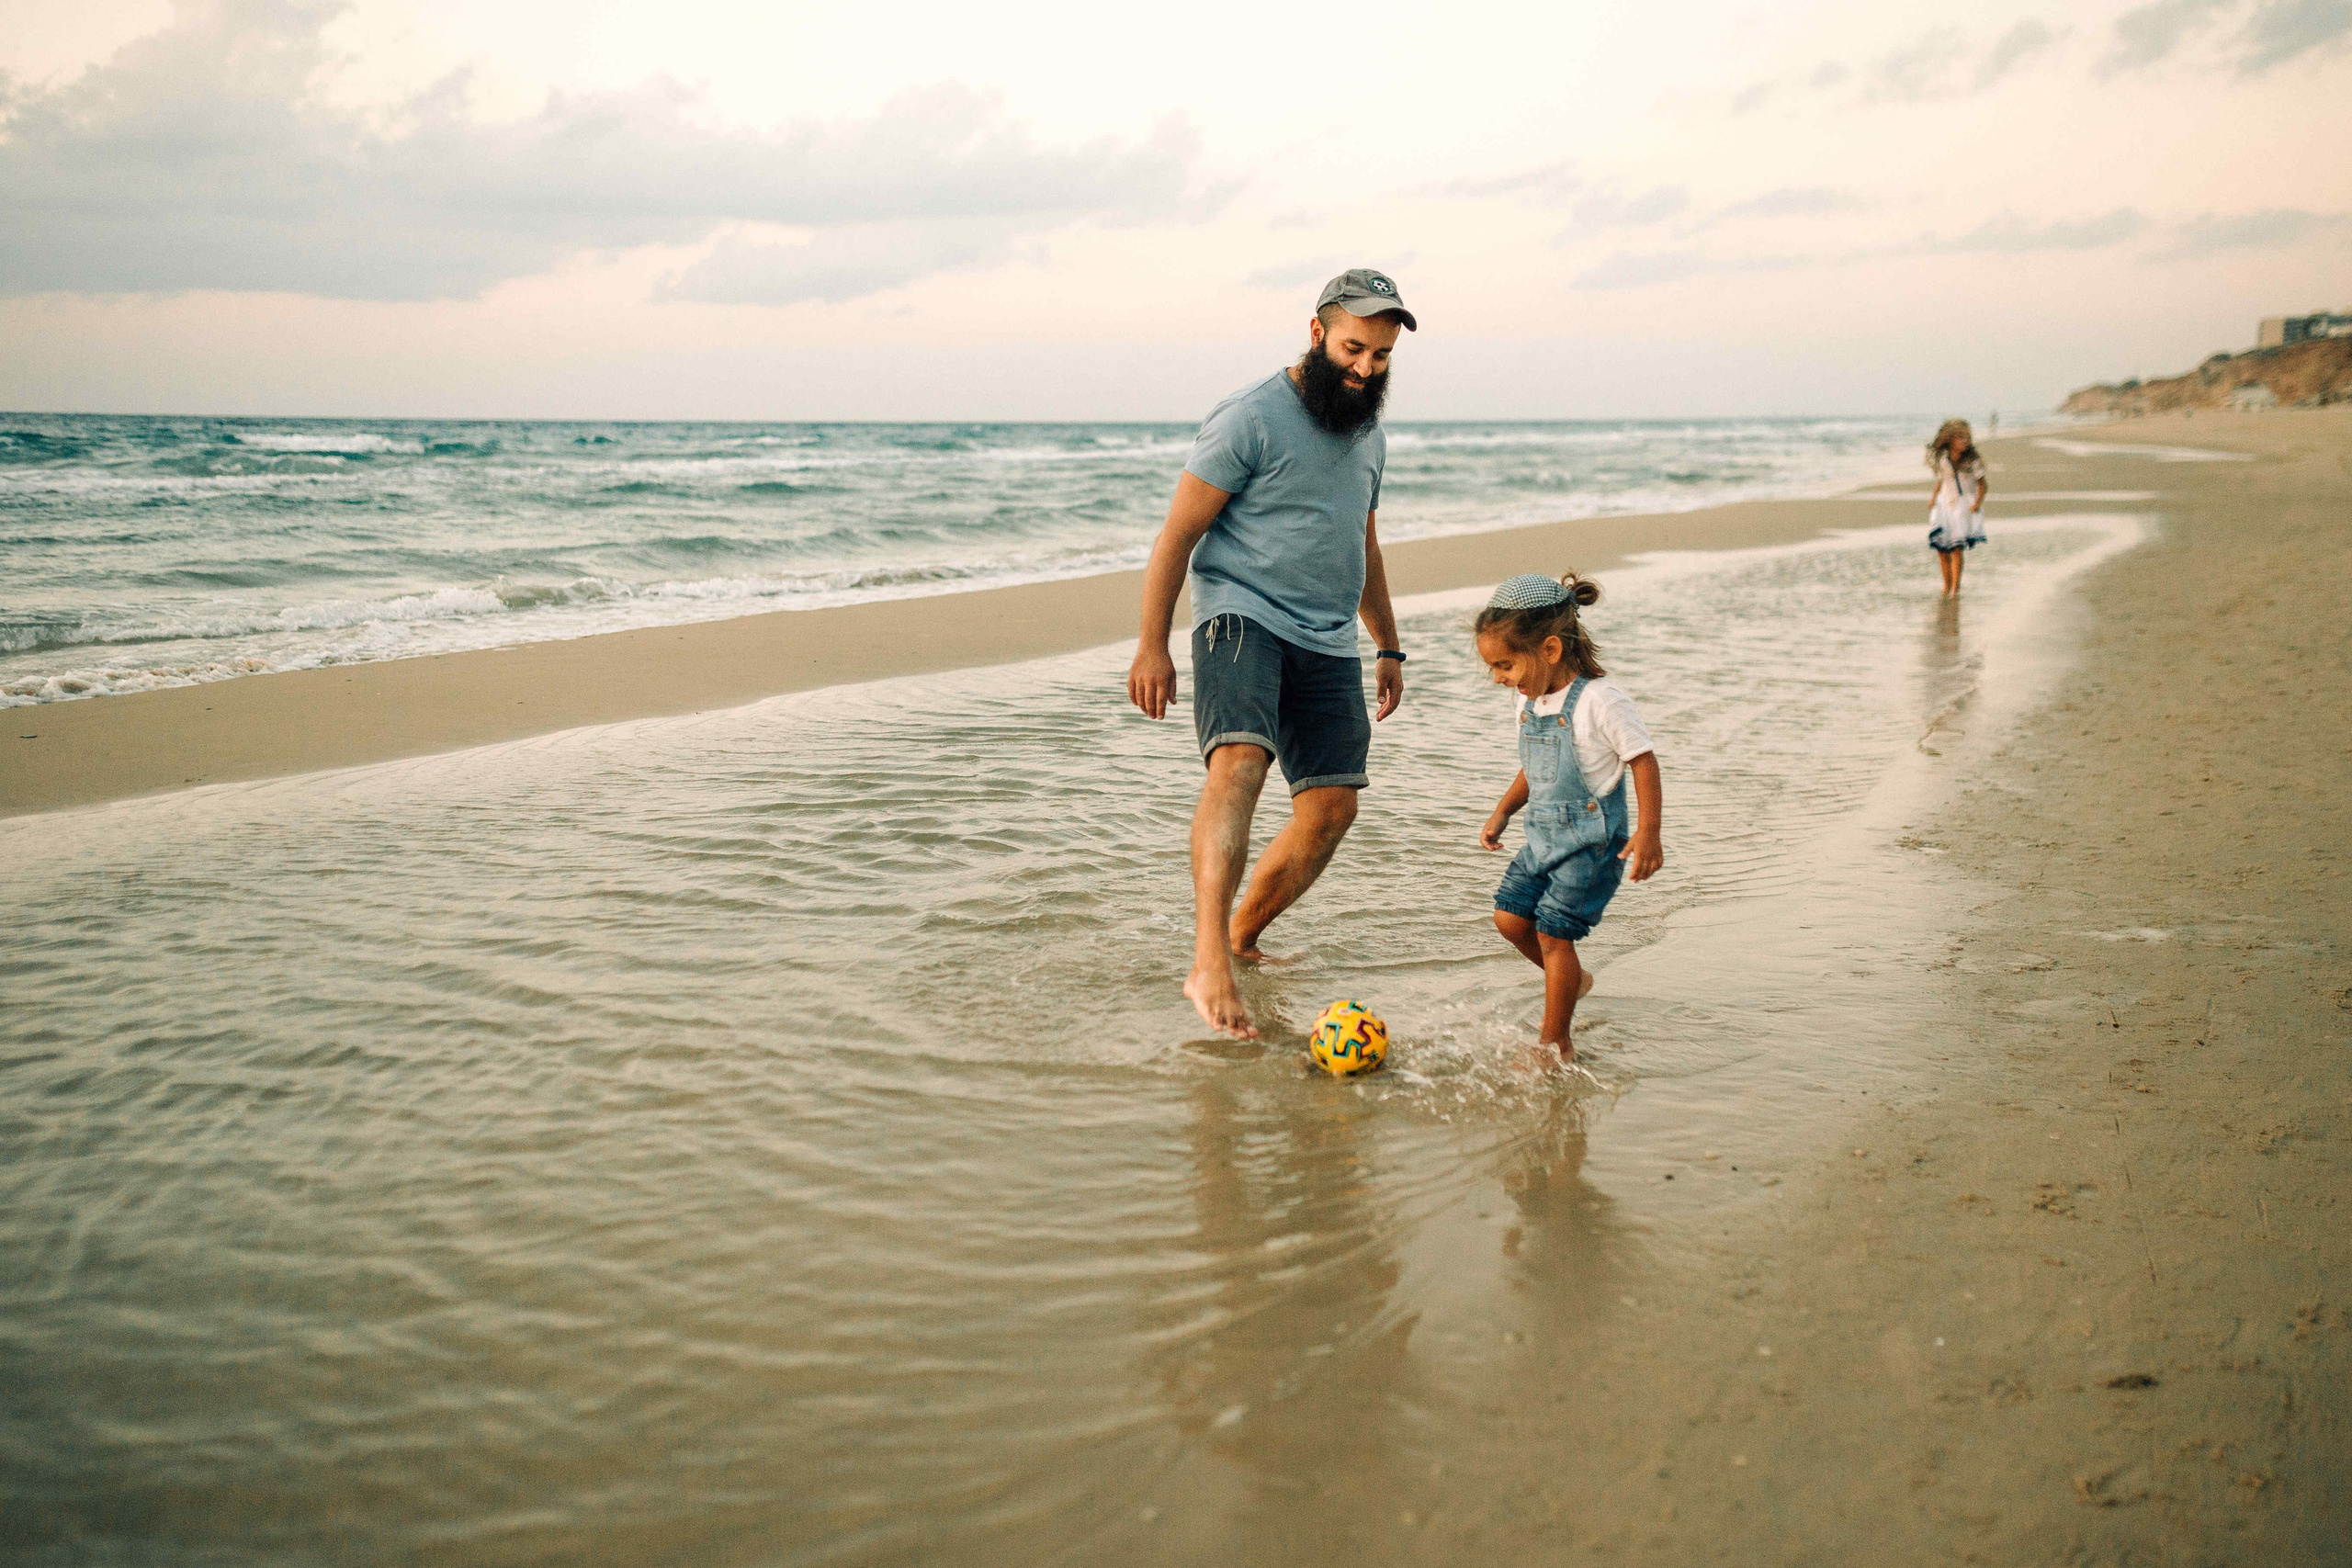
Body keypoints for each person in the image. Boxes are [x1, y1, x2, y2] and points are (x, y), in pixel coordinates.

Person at [1126, 270, 1416, 1039]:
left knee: (1332, 808)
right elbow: (1177, 535)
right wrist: (1153, 643)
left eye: (1381, 356)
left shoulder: (1369, 435)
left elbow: (1363, 542)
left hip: (1327, 636)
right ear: (1317, 333)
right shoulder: (1250, 417)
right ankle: (1206, 960)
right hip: (1241, 616)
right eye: (1355, 348)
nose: (1365, 368)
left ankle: (1239, 937)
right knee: (1242, 760)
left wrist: (1387, 640)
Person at [1474, 573, 1663, 1058]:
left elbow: (1643, 761)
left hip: (1592, 844)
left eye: (1505, 665)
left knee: (1554, 933)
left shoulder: (1602, 701)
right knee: (1508, 917)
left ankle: (1556, 1041)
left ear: (1551, 650)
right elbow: (1535, 767)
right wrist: (1502, 810)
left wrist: (1648, 833)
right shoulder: (1528, 700)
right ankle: (1572, 981)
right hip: (1543, 837)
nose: (1498, 678)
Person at [1927, 418, 1989, 595]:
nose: (1965, 441)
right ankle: (1946, 585)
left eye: (1967, 438)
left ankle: (1955, 588)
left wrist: (1977, 503)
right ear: (1950, 439)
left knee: (1956, 547)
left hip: (1962, 506)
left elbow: (1983, 485)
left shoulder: (1973, 461)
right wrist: (1933, 498)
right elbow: (1941, 480)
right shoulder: (1943, 459)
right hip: (1944, 504)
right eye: (1960, 438)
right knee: (1941, 549)